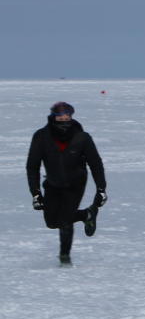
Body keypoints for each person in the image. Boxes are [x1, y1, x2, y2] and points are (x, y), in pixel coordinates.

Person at [26, 102, 107, 266]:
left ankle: (64, 257)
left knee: (65, 219)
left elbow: (95, 163)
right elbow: (32, 166)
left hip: (75, 184)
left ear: (71, 116)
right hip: (53, 183)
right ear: (53, 117)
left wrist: (101, 188)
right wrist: (35, 193)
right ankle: (86, 215)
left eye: (67, 115)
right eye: (60, 116)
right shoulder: (41, 136)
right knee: (51, 222)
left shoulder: (82, 137)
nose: (64, 118)